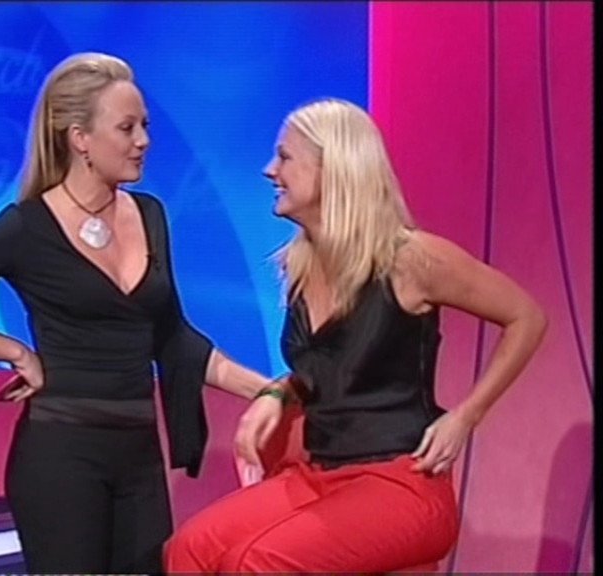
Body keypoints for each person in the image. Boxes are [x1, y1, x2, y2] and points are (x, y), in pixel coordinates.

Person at [0, 52, 275, 575]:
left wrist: (270, 390)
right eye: (127, 128)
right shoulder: (26, 227)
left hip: (138, 456)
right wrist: (14, 351)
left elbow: (172, 338)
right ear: (79, 138)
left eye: (146, 126)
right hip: (60, 457)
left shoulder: (150, 214)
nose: (143, 141)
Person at [163, 98, 548, 574]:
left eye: (284, 157)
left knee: (256, 564)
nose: (269, 170)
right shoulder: (300, 267)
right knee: (189, 549)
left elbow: (527, 317)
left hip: (401, 483)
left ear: (333, 170)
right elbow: (330, 368)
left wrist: (466, 416)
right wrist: (276, 395)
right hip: (320, 474)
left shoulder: (411, 260)